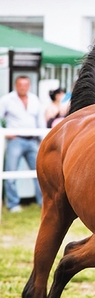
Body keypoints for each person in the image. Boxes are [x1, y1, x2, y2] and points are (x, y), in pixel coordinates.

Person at [0, 75, 45, 212]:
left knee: (41, 173)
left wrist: (43, 140)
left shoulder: (34, 99)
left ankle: (43, 202)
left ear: (29, 86)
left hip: (32, 140)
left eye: (25, 85)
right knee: (11, 172)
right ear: (16, 85)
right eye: (20, 85)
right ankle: (13, 204)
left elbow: (40, 120)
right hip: (16, 140)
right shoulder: (7, 100)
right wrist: (5, 132)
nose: (23, 87)